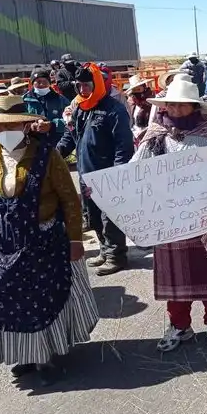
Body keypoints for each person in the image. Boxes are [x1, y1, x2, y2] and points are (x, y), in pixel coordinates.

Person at [0, 95, 98, 385]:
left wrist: (75, 240)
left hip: (40, 243)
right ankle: (23, 355)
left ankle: (45, 357)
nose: (4, 132)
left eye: (12, 124)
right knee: (4, 301)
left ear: (25, 124)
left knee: (40, 300)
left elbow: (69, 199)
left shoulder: (47, 155)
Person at [132, 79, 207, 351]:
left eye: (181, 104)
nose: (175, 109)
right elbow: (135, 170)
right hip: (169, 218)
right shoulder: (156, 135)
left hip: (204, 216)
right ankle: (180, 324)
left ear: (193, 107)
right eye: (171, 104)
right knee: (175, 273)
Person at [56, 62, 135, 276]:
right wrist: (56, 153)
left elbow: (123, 144)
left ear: (97, 84)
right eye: (79, 86)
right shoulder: (80, 108)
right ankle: (104, 249)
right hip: (86, 174)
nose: (82, 90)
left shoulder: (114, 109)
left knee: (110, 216)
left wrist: (118, 172)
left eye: (86, 85)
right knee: (93, 215)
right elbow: (69, 135)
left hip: (108, 174)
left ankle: (116, 256)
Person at [23, 66, 71, 142]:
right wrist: (31, 126)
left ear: (49, 83)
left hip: (56, 143)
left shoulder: (61, 99)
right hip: (32, 144)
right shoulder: (24, 100)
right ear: (32, 83)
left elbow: (71, 120)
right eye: (38, 82)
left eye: (45, 81)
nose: (42, 84)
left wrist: (52, 125)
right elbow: (18, 122)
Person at [124, 75, 154, 145]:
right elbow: (131, 121)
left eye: (139, 89)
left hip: (150, 135)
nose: (137, 92)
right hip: (135, 136)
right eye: (135, 90)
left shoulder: (152, 101)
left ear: (144, 88)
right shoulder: (131, 103)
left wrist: (144, 133)